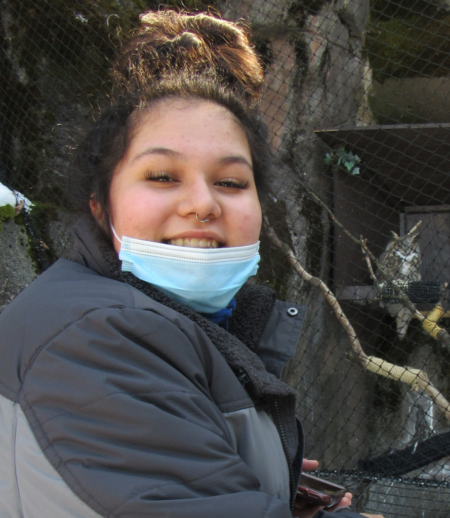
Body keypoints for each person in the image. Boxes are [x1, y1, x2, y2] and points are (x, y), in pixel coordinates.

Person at [0, 10, 382, 518]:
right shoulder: (96, 335)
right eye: (162, 176)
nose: (203, 204)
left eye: (230, 182)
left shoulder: (169, 323)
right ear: (100, 205)